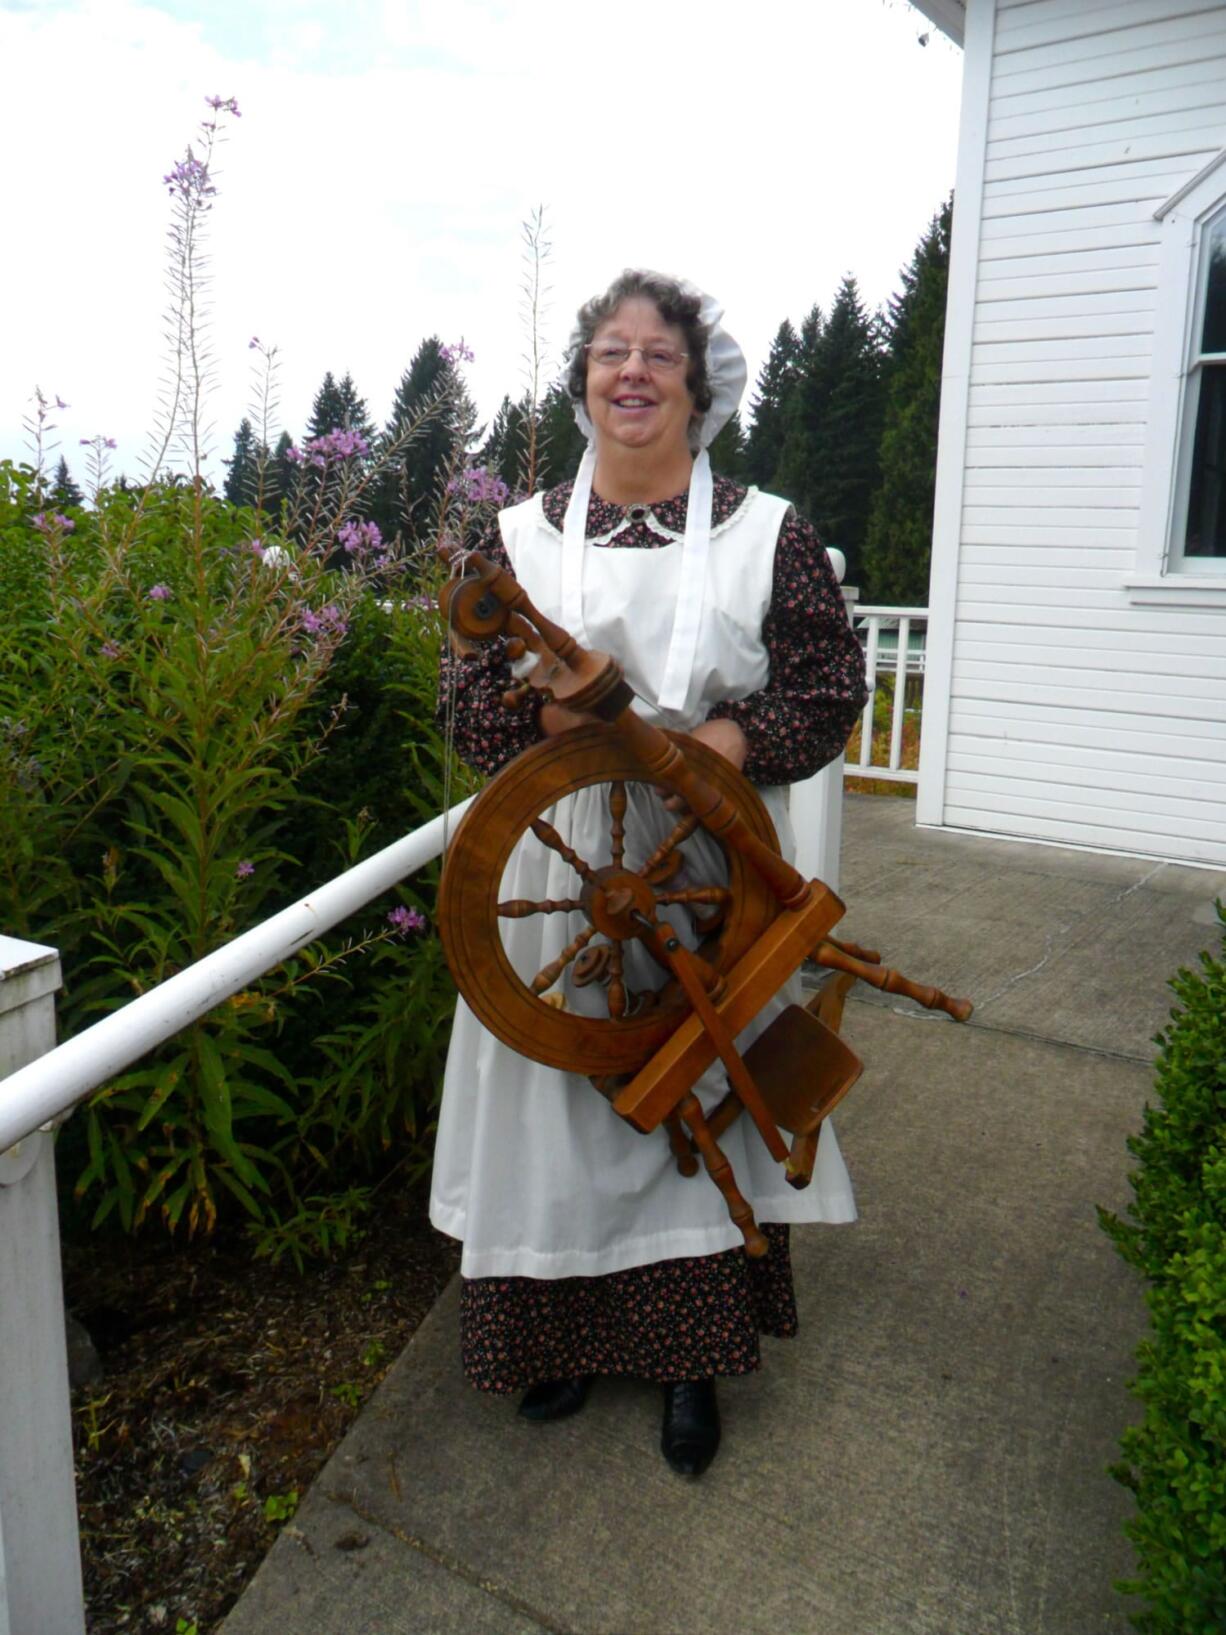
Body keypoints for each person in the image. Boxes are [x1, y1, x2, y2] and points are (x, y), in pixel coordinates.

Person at [431, 270, 868, 1476]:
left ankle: (690, 1362)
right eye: (610, 352)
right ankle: (557, 1335)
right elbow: (465, 698)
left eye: (658, 355)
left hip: (711, 870)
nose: (632, 372)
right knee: (555, 1105)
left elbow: (827, 687)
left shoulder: (764, 529)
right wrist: (555, 737)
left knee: (703, 1099)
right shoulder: (510, 543)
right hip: (551, 871)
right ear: (582, 381)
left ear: (697, 384)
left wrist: (719, 744)